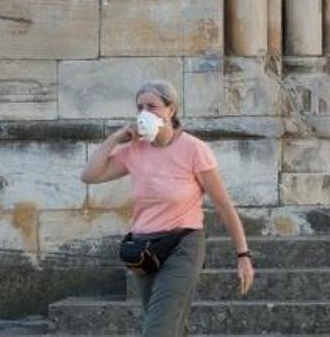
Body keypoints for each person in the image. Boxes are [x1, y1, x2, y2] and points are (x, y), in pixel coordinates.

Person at [80, 80, 255, 336]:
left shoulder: (194, 149)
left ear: (170, 110)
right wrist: (116, 138)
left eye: (152, 106)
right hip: (144, 250)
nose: (144, 113)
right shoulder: (133, 151)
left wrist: (243, 256)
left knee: (158, 329)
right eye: (140, 107)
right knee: (170, 326)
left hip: (183, 246)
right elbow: (89, 175)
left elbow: (223, 204)